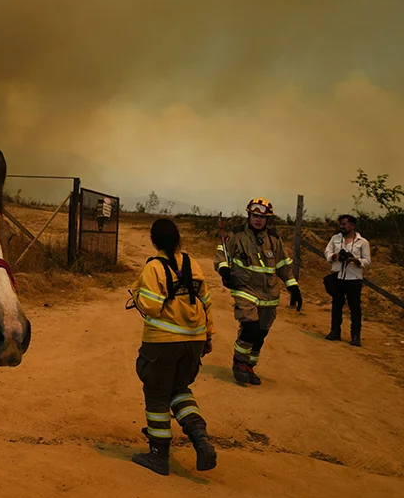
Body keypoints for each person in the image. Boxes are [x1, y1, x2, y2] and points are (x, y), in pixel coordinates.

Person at [127, 218, 218, 476]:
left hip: (163, 342)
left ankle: (158, 455)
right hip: (194, 339)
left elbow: (151, 306)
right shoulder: (193, 264)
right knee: (179, 389)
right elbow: (206, 302)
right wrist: (208, 336)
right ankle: (200, 437)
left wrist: (135, 293)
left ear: (153, 241)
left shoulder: (153, 268)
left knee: (156, 394)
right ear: (178, 239)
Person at [214, 198, 302, 386]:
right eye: (255, 215)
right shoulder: (236, 235)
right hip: (244, 288)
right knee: (250, 327)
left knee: (261, 333)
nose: (258, 219)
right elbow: (222, 254)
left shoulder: (274, 239)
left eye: (262, 217)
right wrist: (224, 270)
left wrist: (293, 286)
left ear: (267, 219)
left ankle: (250, 366)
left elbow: (283, 265)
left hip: (270, 294)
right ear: (249, 215)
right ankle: (239, 363)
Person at [324, 214, 371, 346]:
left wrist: (355, 260)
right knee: (336, 305)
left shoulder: (363, 242)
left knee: (355, 308)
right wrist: (334, 257)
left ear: (352, 225)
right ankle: (335, 332)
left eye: (344, 224)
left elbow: (367, 261)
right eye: (340, 224)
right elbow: (327, 252)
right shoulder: (335, 238)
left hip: (354, 278)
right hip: (338, 276)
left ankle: (355, 336)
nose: (342, 227)